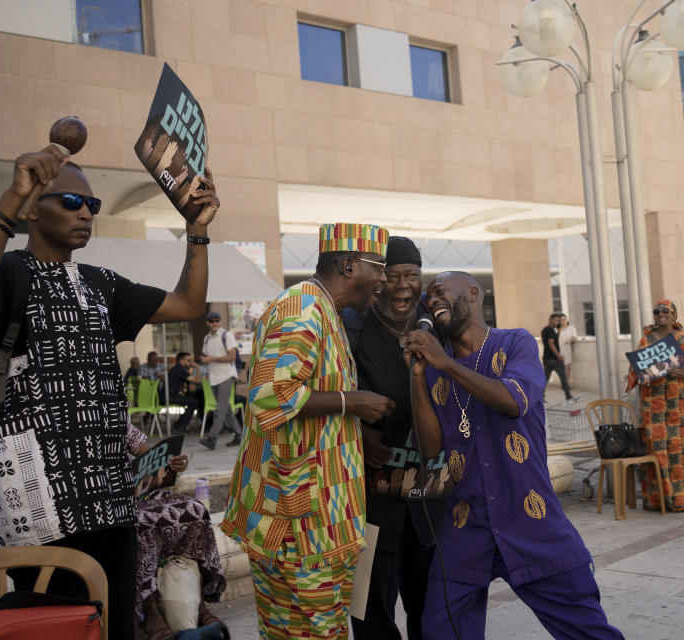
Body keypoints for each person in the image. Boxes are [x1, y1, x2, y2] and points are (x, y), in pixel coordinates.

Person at [0, 143, 220, 640]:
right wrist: (11, 196)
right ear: (34, 209)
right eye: (71, 202)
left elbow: (188, 303)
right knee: (56, 628)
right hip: (39, 504)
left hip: (110, 499)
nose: (86, 213)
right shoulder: (9, 272)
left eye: (92, 205)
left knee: (116, 626)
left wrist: (196, 229)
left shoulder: (102, 284)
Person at [404, 271, 623, 640]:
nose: (432, 300)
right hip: (465, 525)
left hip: (530, 518)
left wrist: (444, 363)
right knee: (440, 630)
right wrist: (417, 379)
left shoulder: (516, 343)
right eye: (428, 298)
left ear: (473, 293)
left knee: (588, 630)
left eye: (440, 291)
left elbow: (514, 401)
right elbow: (431, 454)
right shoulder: (432, 372)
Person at [220, 223, 396, 640]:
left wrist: (356, 432)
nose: (385, 281)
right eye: (380, 268)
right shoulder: (301, 308)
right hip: (297, 527)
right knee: (311, 633)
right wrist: (354, 401)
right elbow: (269, 396)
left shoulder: (323, 311)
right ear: (349, 265)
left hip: (319, 522)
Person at [345, 236, 446, 640]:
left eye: (412, 275)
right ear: (377, 278)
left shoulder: (437, 325)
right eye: (393, 275)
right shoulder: (351, 325)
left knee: (430, 600)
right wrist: (359, 438)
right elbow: (329, 396)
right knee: (369, 605)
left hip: (426, 491)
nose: (403, 285)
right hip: (371, 492)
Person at [125, 423, 227, 640]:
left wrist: (172, 462)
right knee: (142, 523)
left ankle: (200, 606)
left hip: (141, 494)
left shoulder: (112, 412)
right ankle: (150, 613)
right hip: (114, 503)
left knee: (196, 510)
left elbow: (146, 452)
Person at [625, 300, 684, 512]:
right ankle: (659, 500)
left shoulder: (683, 340)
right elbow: (634, 371)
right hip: (652, 405)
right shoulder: (646, 341)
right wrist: (640, 377)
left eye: (666, 311)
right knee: (657, 451)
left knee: (683, 450)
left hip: (676, 404)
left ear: (674, 315)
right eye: (657, 311)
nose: (661, 314)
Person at [199, 310, 243, 450]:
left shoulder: (227, 335)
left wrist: (212, 359)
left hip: (226, 376)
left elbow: (231, 357)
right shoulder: (207, 338)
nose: (215, 323)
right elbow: (205, 356)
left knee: (220, 408)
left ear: (221, 321)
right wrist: (206, 365)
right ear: (208, 323)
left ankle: (212, 438)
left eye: (217, 320)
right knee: (226, 409)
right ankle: (239, 435)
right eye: (212, 321)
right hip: (213, 377)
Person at [540, 312, 572, 401]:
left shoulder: (545, 329)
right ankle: (568, 395)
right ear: (551, 320)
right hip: (554, 359)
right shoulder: (550, 330)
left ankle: (541, 397)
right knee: (563, 377)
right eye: (556, 320)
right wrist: (559, 356)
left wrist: (558, 332)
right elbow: (551, 344)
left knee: (545, 379)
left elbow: (554, 341)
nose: (558, 322)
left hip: (546, 359)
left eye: (558, 321)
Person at [167, 351, 202, 434]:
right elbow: (197, 380)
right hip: (169, 397)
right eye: (189, 360)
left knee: (195, 398)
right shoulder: (179, 369)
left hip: (172, 395)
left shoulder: (179, 369)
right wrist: (197, 367)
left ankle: (180, 425)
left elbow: (191, 383)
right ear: (182, 361)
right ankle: (179, 426)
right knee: (194, 402)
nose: (191, 363)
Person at [558, 313, 578, 381]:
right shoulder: (558, 329)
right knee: (561, 367)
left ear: (566, 320)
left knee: (568, 367)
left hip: (567, 349)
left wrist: (569, 340)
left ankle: (566, 383)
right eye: (561, 320)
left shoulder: (571, 328)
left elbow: (574, 337)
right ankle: (564, 383)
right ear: (559, 321)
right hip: (559, 350)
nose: (563, 321)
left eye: (564, 319)